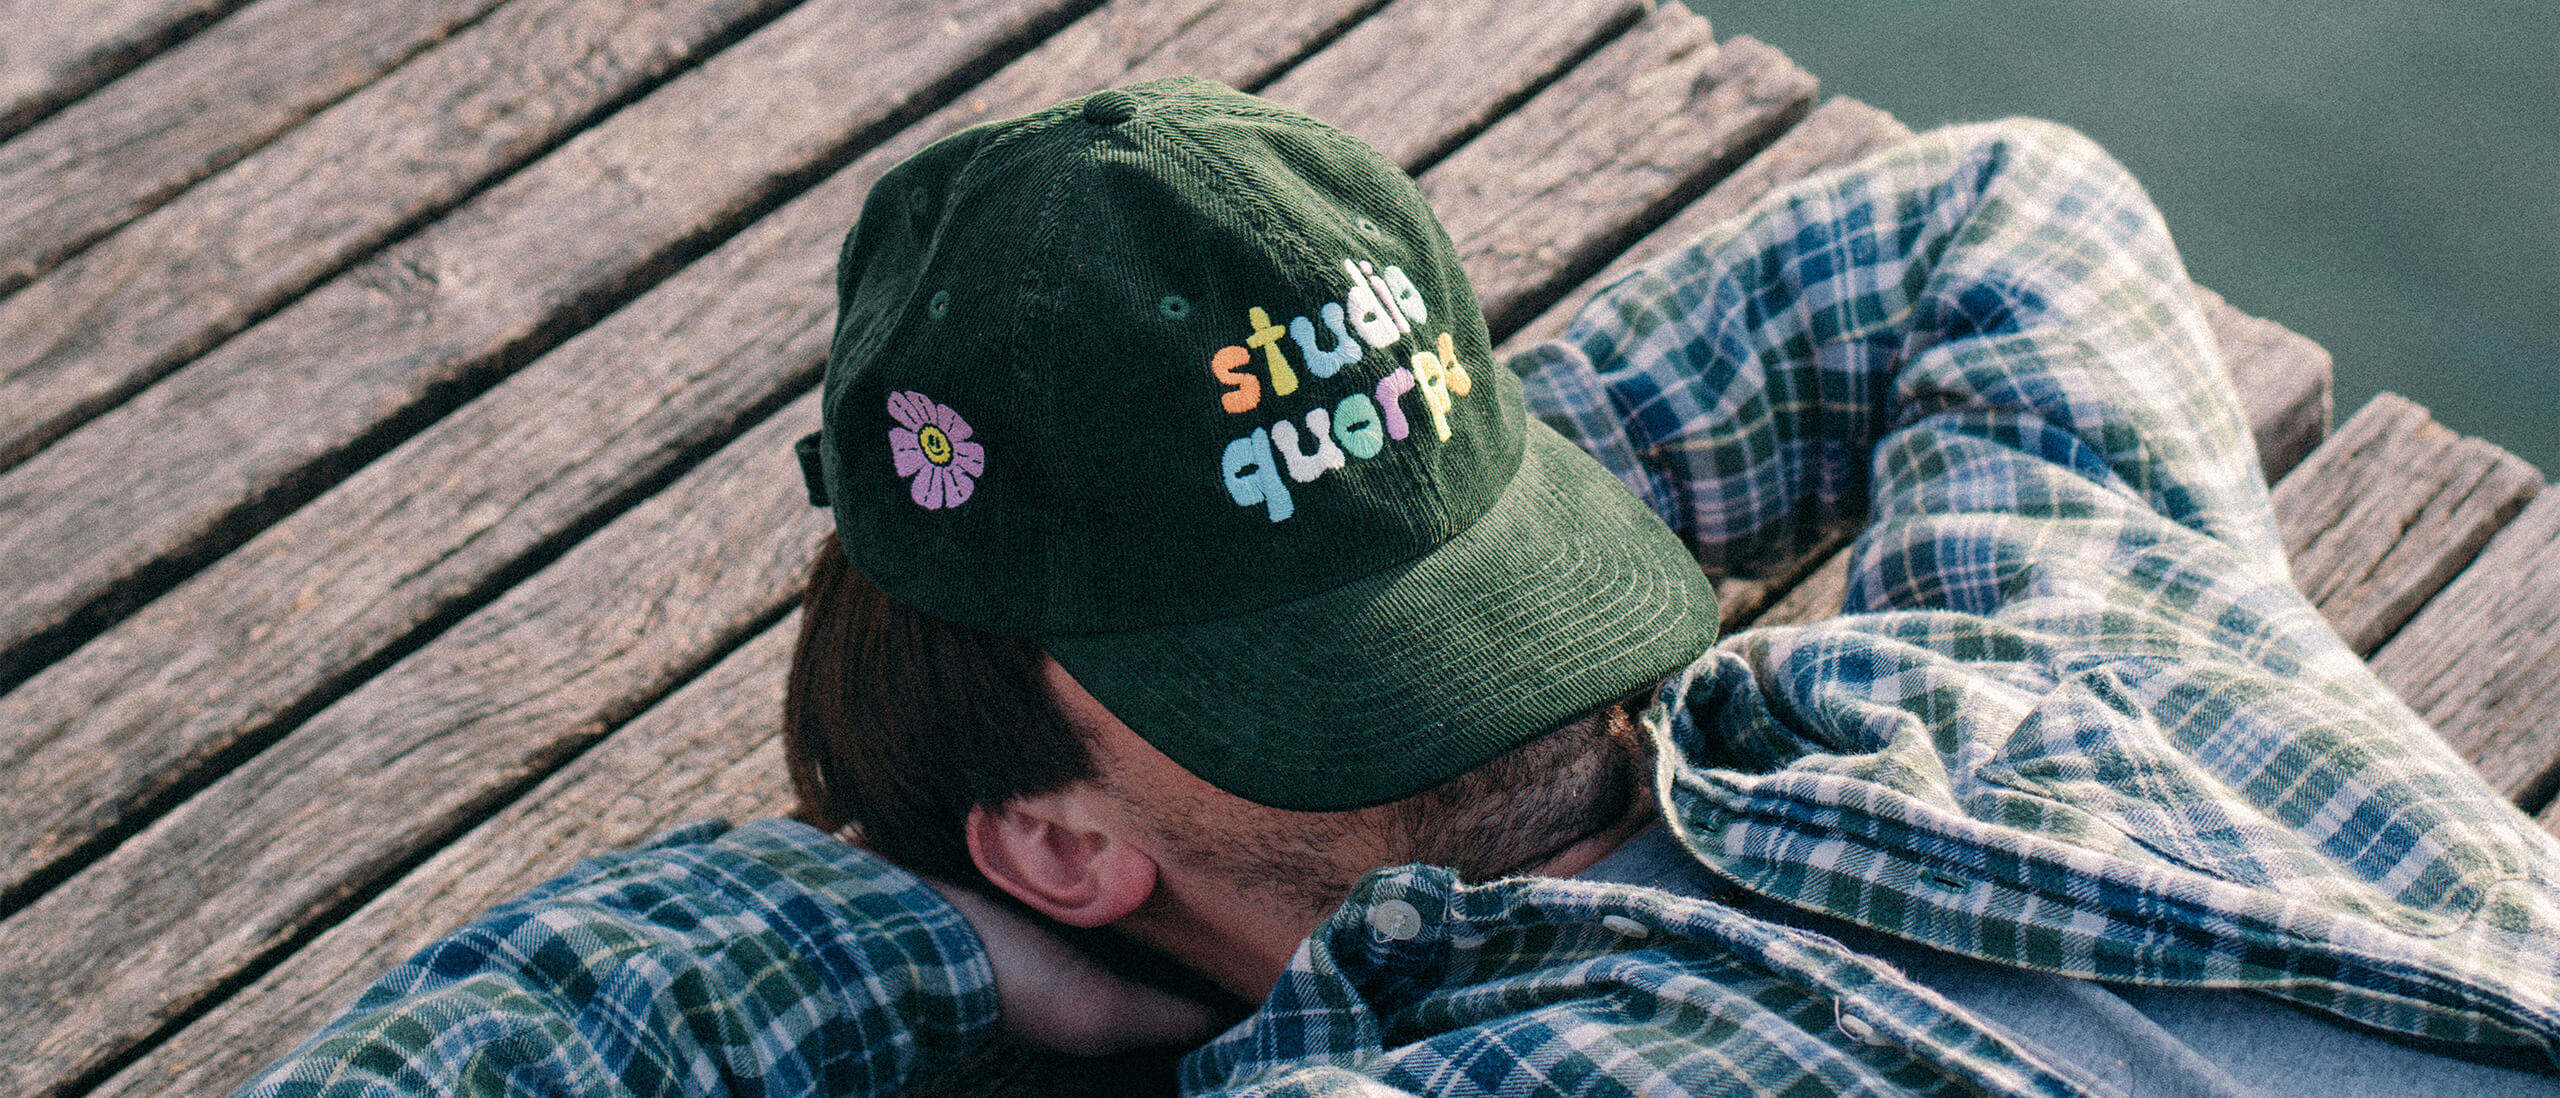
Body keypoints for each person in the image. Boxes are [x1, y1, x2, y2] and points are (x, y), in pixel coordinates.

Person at [236, 77, 2560, 1097]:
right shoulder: (2088, 647)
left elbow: (1978, 216)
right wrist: (1413, 481)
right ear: (1062, 839)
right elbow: (1992, 224)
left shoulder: (2052, 656)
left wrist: (1334, 498)